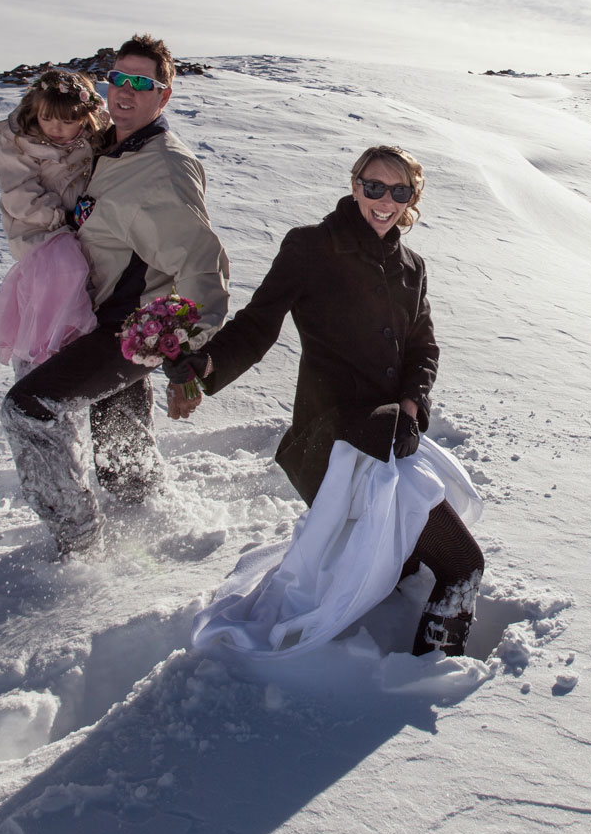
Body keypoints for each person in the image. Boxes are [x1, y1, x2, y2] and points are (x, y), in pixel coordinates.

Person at [168, 143, 484, 657]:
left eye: (398, 191)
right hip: (335, 443)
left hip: (392, 439)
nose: (384, 200)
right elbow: (258, 323)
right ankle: (429, 680)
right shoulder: (312, 247)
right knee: (462, 565)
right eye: (374, 186)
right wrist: (204, 364)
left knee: (401, 564)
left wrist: (411, 406)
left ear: (411, 198)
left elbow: (423, 346)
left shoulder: (411, 267)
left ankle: (393, 663)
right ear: (355, 184)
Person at [0, 34, 230, 559]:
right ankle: (162, 544)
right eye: (117, 78)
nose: (124, 91)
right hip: (96, 320)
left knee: (29, 411)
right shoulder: (110, 148)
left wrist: (182, 352)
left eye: (140, 83)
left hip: (122, 333)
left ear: (163, 95)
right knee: (126, 472)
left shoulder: (162, 166)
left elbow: (202, 267)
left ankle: (79, 547)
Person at [0, 69, 105, 369]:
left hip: (81, 229)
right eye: (47, 118)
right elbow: (19, 193)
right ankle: (38, 368)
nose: (56, 128)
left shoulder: (95, 138)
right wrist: (63, 219)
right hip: (39, 230)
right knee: (58, 284)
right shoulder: (19, 140)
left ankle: (79, 359)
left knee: (94, 291)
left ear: (84, 117)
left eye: (66, 120)